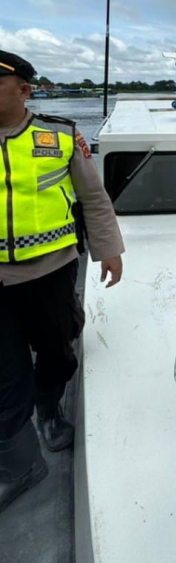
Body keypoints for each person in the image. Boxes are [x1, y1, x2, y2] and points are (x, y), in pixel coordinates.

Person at [0, 50, 124, 512]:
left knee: (56, 351)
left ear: (23, 90)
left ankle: (49, 409)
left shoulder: (61, 135)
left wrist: (108, 248)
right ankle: (20, 464)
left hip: (50, 272)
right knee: (6, 372)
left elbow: (93, 198)